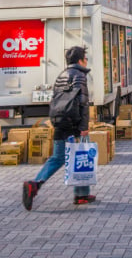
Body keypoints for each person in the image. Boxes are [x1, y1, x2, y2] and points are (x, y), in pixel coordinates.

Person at [22, 46, 94, 210]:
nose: (86, 60)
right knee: (72, 157)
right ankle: (37, 184)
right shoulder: (80, 76)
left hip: (59, 121)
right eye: (85, 57)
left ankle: (80, 193)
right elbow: (83, 103)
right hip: (72, 124)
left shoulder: (61, 75)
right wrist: (83, 126)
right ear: (80, 60)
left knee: (67, 157)